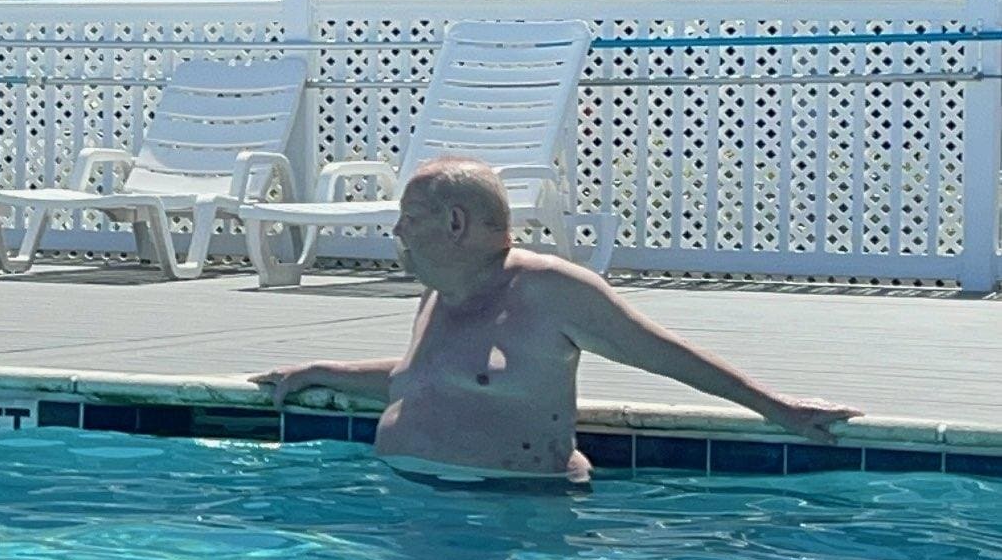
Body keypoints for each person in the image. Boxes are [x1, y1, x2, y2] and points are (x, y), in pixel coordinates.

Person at [254, 158, 858, 484]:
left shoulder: (549, 289)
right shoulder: (440, 292)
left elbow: (661, 354)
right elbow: (429, 378)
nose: (397, 231)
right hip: (413, 502)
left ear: (456, 223)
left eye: (410, 217)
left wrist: (776, 408)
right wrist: (320, 370)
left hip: (515, 517)